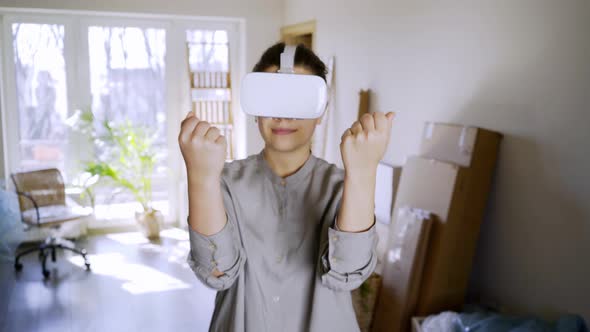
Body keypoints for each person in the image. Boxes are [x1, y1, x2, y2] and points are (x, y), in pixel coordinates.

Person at [179, 42, 394, 332]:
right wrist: (200, 177)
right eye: (271, 99)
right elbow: (218, 273)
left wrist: (364, 173)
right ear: (255, 109)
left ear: (321, 111)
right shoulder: (222, 183)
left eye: (298, 100)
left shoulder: (344, 186)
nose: (283, 115)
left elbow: (348, 273)